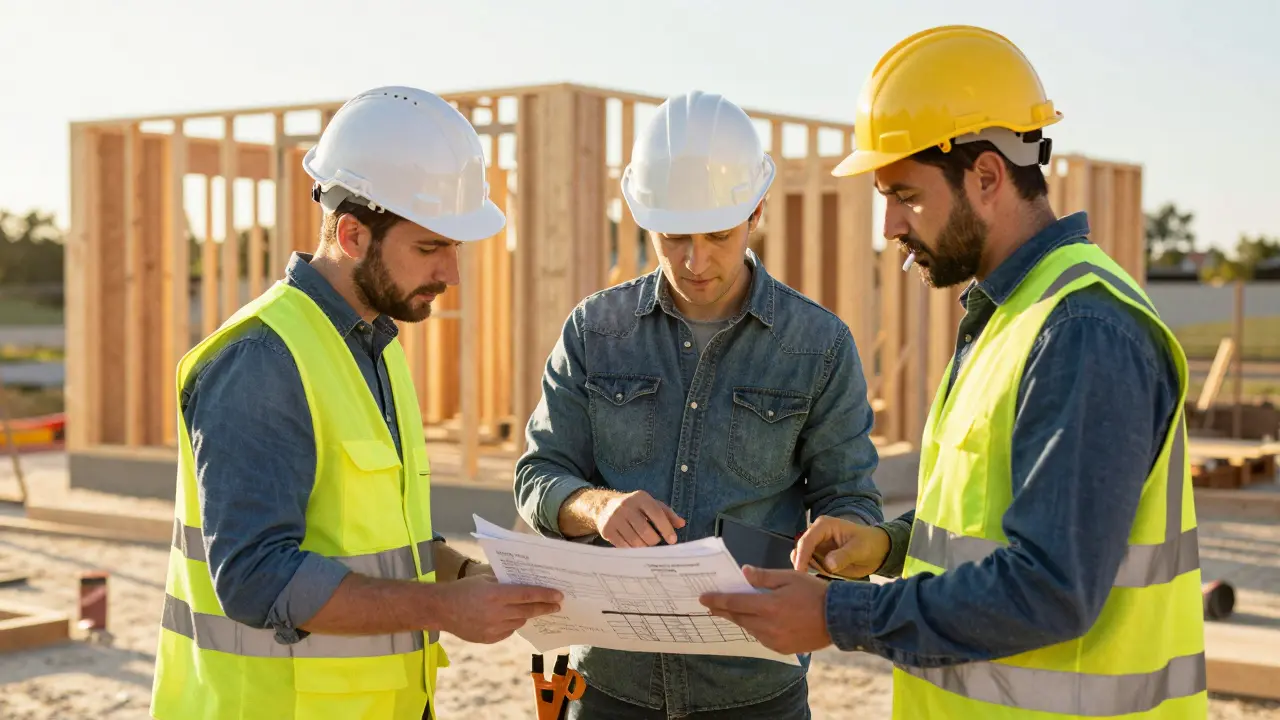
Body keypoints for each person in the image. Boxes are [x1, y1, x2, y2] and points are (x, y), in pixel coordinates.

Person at [699, 25, 1208, 719]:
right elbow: (993, 526)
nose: (888, 227)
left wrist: (841, 615)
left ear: (988, 177)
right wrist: (889, 546)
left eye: (905, 196)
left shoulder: (1081, 332)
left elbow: (1052, 587)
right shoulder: (1009, 315)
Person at [149, 86, 563, 720]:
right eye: (431, 247)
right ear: (351, 233)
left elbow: (382, 536)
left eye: (455, 248)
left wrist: (459, 576)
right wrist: (443, 610)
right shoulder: (263, 360)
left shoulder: (374, 347)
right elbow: (256, 577)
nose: (452, 274)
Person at [513, 90, 884, 720]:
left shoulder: (817, 345)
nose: (695, 259)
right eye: (673, 236)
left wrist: (832, 552)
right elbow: (537, 476)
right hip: (607, 686)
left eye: (717, 234)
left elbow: (851, 500)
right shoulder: (593, 331)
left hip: (755, 692)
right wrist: (596, 507)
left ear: (756, 211)